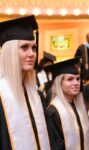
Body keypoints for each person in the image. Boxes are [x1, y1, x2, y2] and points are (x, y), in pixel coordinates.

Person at [0, 15, 50, 149]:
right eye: (24, 47)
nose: (32, 53)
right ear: (9, 52)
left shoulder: (36, 95)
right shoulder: (2, 96)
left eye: (33, 48)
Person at [45, 58, 89, 150]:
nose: (76, 83)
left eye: (77, 79)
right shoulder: (53, 111)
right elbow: (55, 145)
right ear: (59, 83)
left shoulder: (80, 107)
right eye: (70, 79)